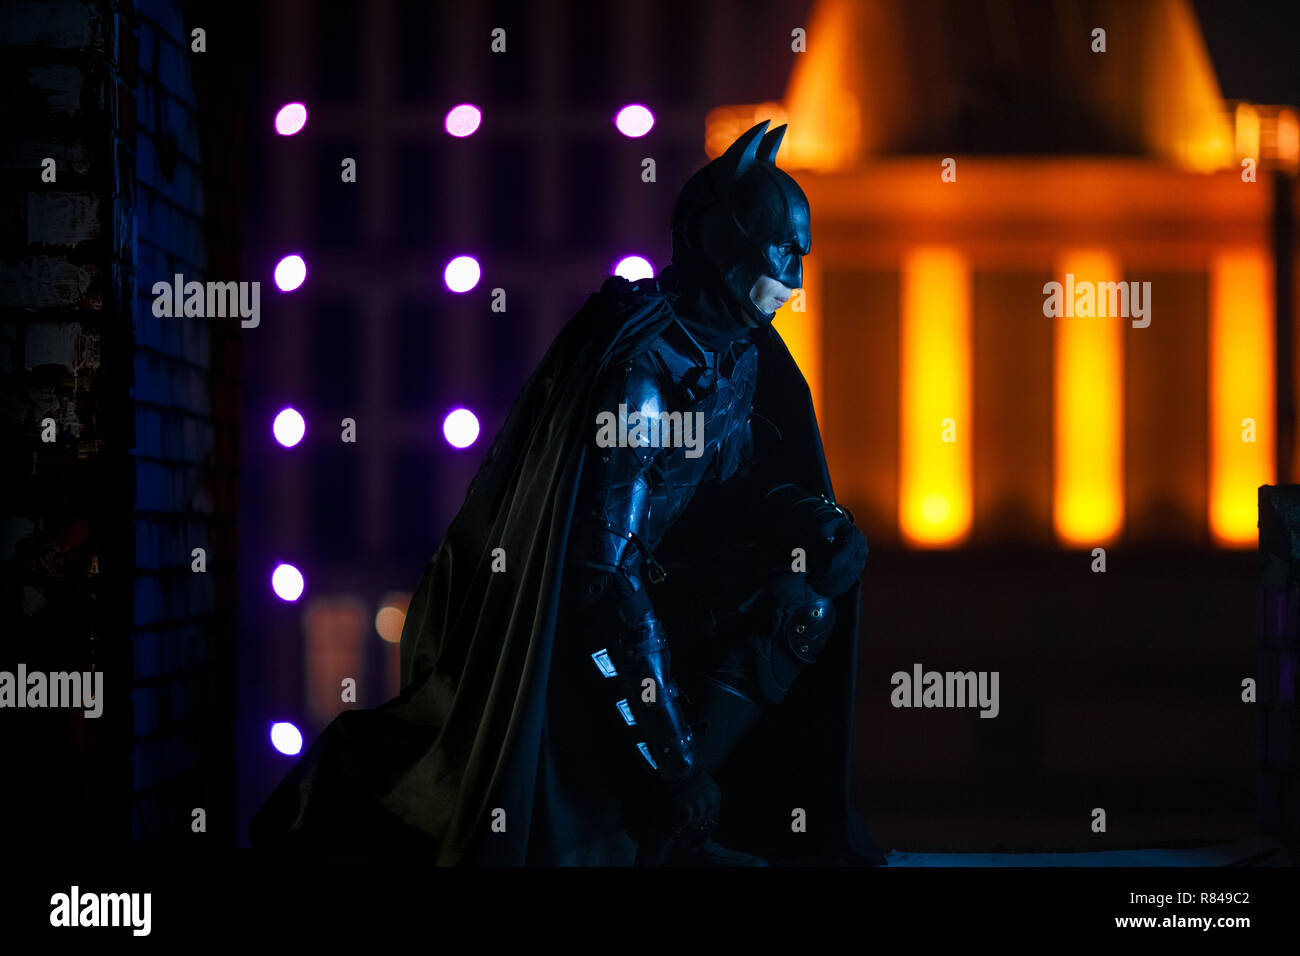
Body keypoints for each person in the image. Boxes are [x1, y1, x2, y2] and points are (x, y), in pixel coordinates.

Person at [251, 120, 885, 867]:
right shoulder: (642, 369)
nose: (796, 276)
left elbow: (725, 493)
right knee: (766, 616)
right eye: (783, 249)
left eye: (799, 253)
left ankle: (685, 814)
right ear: (723, 241)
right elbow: (599, 577)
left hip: (654, 589)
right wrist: (671, 763)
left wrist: (811, 521)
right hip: (578, 631)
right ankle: (654, 817)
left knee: (806, 592)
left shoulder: (733, 355)